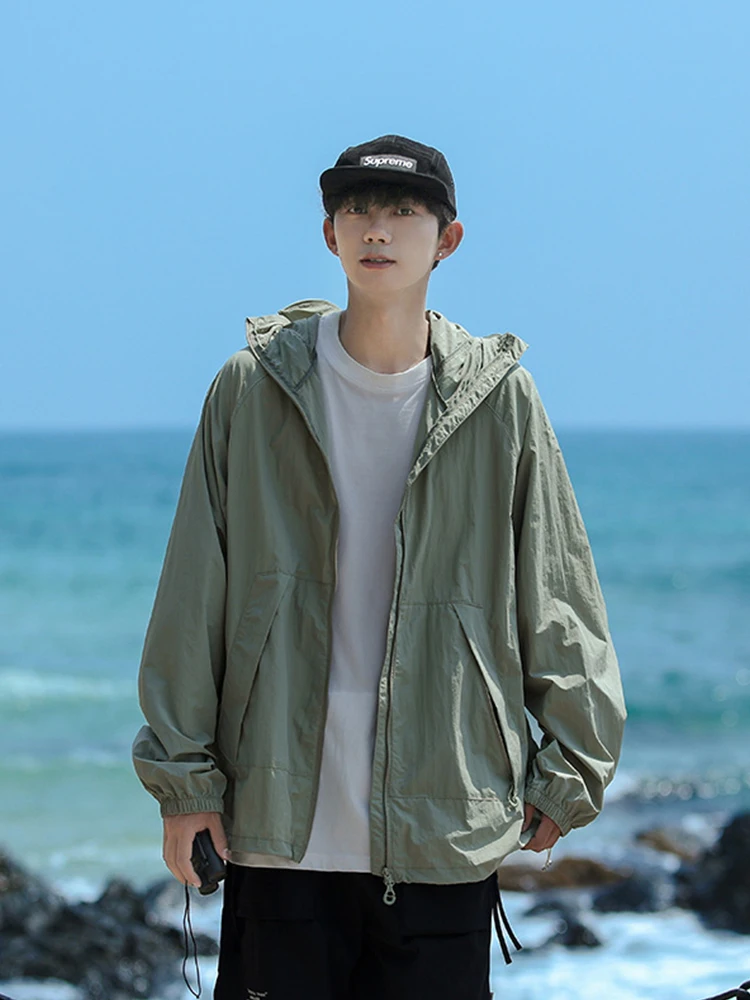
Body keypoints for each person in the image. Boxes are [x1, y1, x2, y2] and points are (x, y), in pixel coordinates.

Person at [132, 133, 627, 1000]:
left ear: (448, 239)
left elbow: (557, 592)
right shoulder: (251, 388)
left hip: (445, 820)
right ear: (330, 234)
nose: (378, 228)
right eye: (357, 209)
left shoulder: (501, 399)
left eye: (404, 211)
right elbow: (191, 594)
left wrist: (571, 768)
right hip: (279, 828)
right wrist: (184, 784)